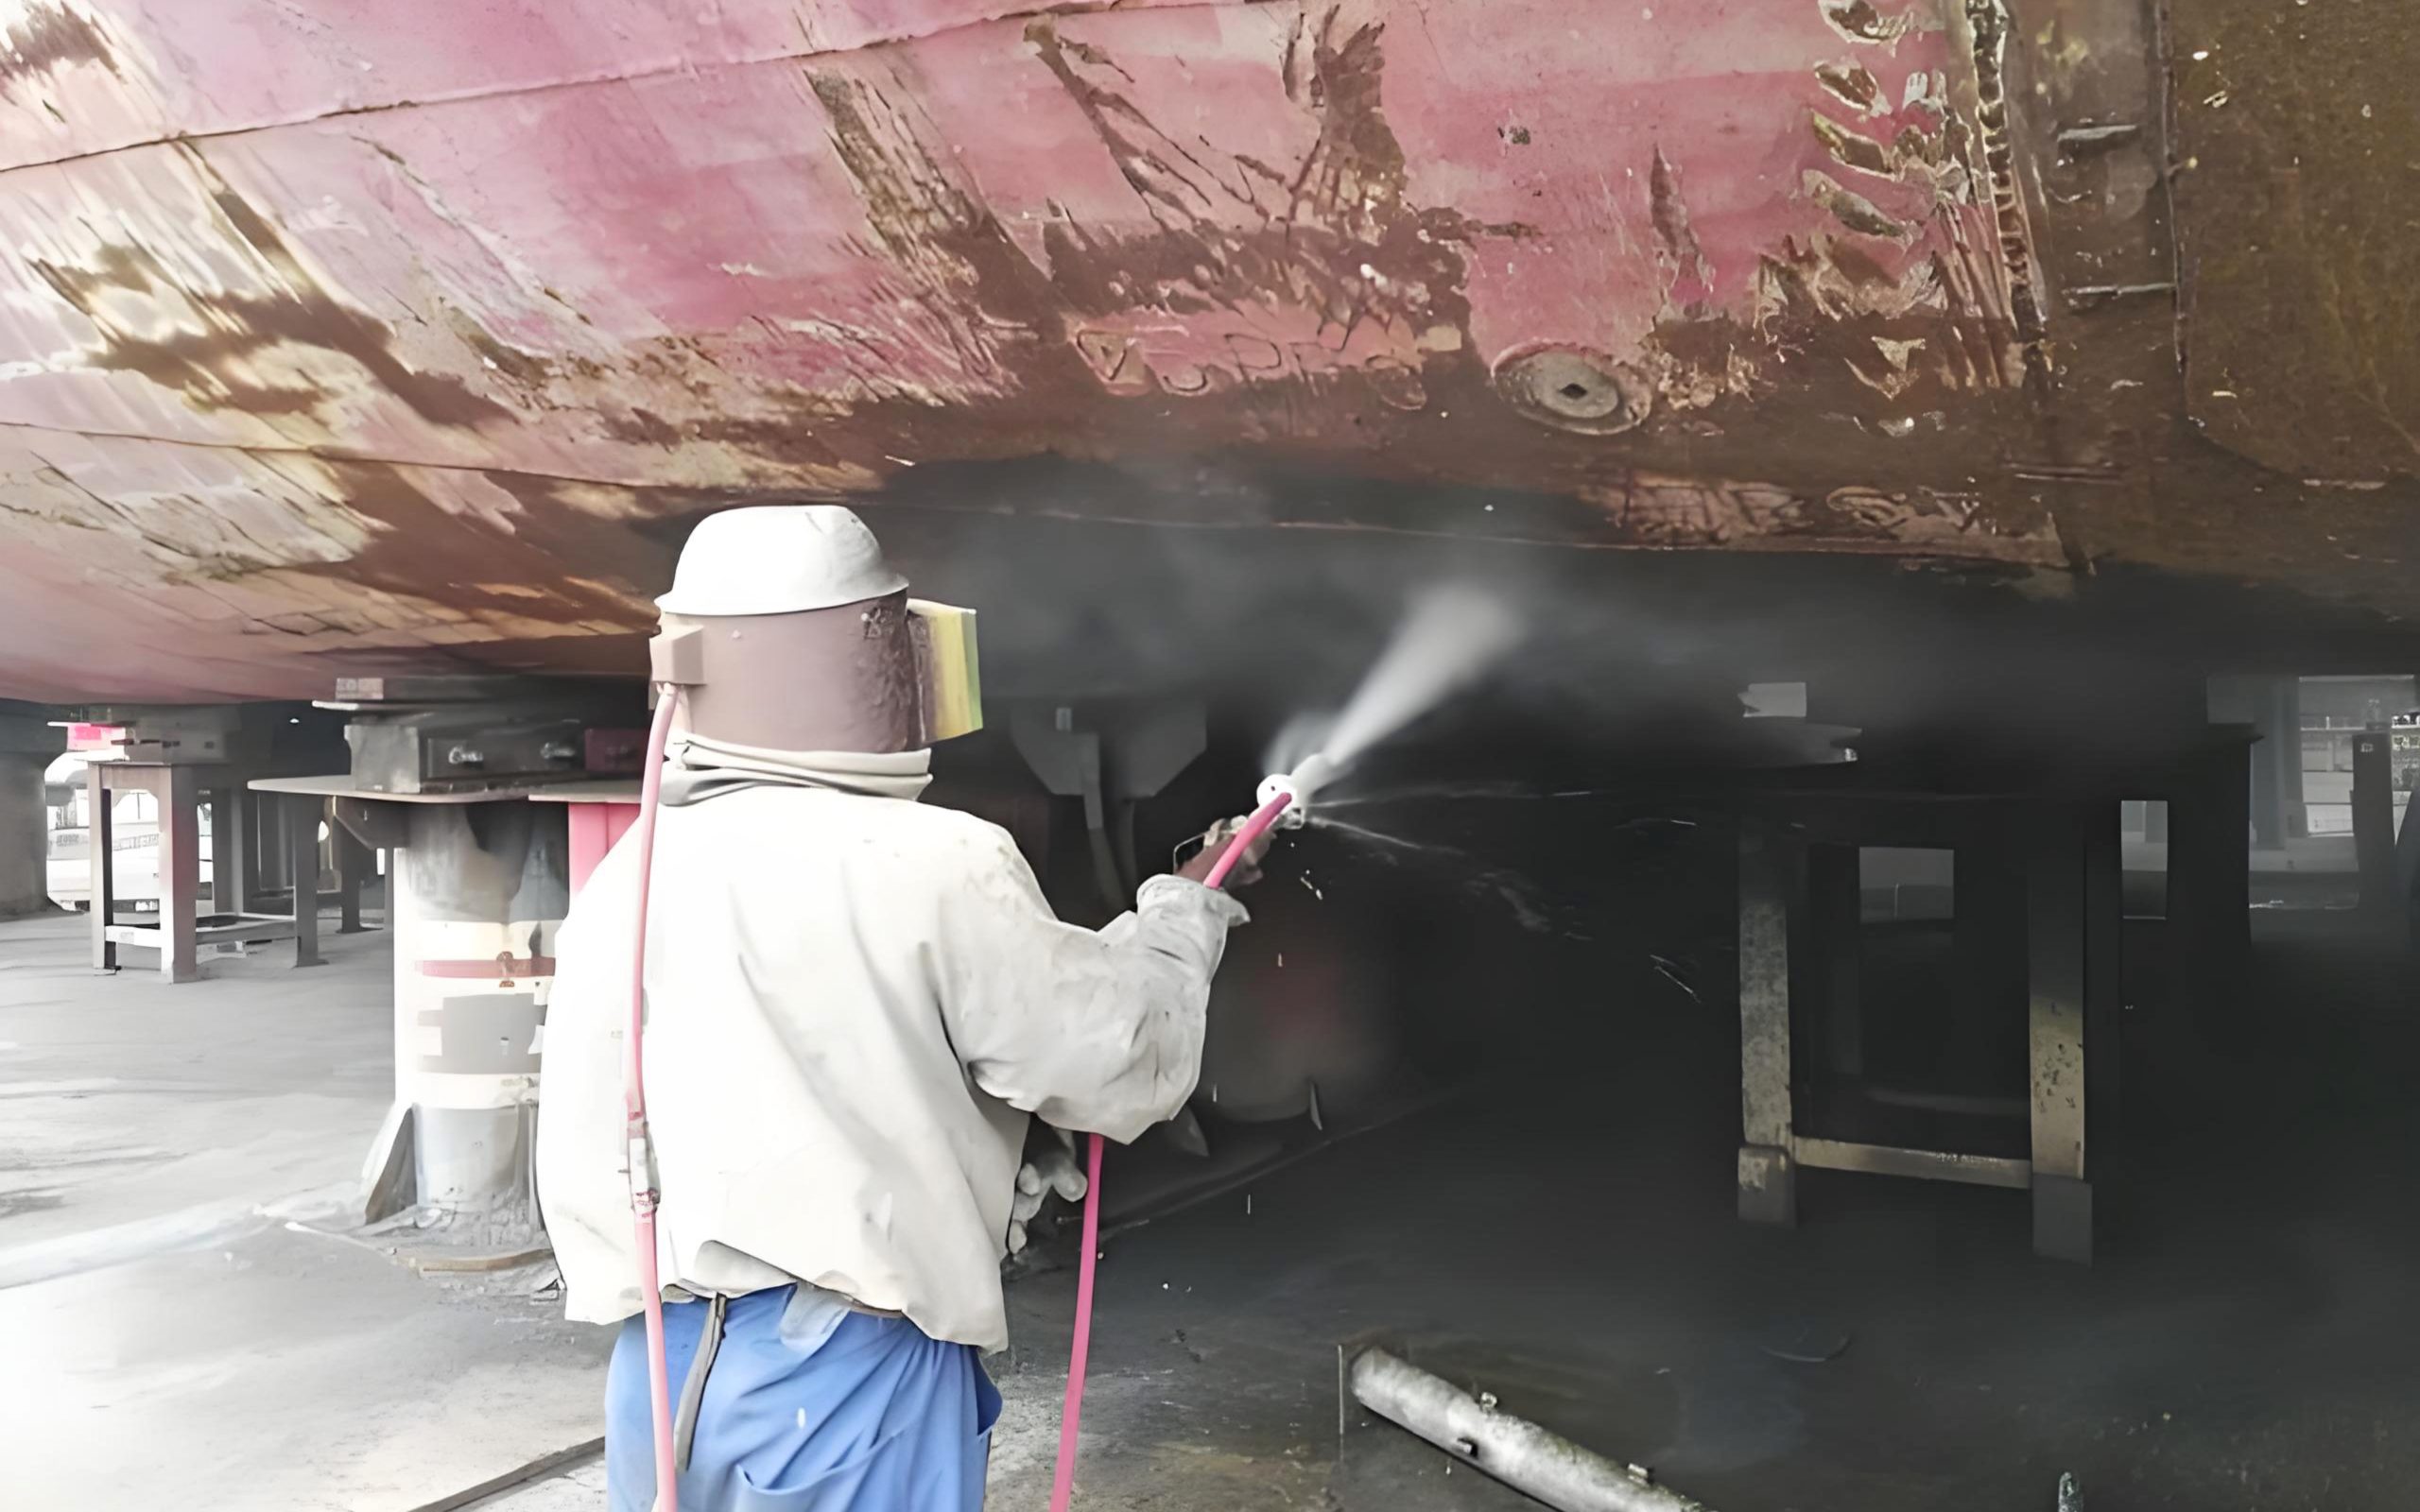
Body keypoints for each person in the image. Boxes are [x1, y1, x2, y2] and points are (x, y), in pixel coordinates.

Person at [535, 505, 1263, 1512]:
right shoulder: (932, 857)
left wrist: (982, 1138)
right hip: (840, 1375)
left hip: (659, 1374)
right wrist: (1184, 917)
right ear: (864, 660)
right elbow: (1117, 1058)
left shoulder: (631, 872)